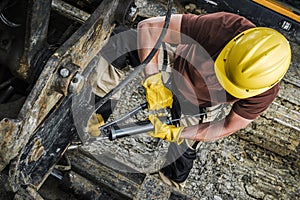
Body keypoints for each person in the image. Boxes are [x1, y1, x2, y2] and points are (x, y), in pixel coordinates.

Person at [137, 12, 291, 190]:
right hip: (176, 67)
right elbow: (148, 28)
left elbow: (226, 126)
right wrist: (154, 82)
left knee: (182, 153)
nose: (217, 82)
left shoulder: (264, 92)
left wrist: (178, 133)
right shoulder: (224, 27)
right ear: (231, 48)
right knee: (121, 45)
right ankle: (97, 118)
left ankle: (167, 186)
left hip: (201, 105)